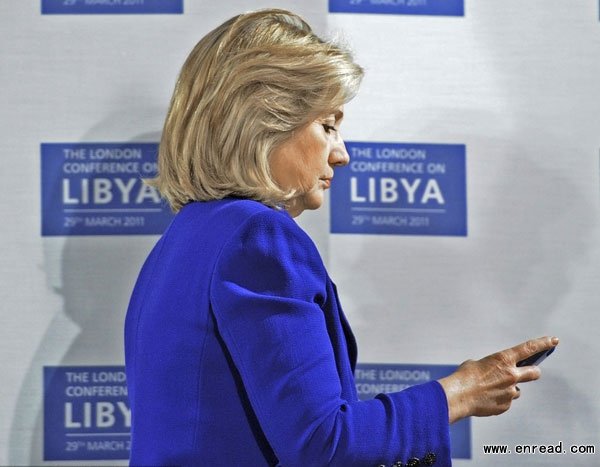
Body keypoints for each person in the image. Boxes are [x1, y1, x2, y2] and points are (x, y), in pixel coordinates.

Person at [124, 9, 558, 466]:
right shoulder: (259, 238)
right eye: (328, 125)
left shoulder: (184, 239)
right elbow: (323, 443)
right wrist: (459, 393)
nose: (342, 153)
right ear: (264, 119)